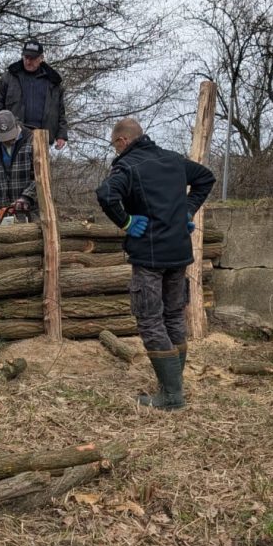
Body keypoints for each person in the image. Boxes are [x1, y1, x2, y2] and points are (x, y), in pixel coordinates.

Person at [95, 118, 215, 411]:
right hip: (178, 252)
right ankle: (171, 386)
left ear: (123, 141)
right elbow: (206, 178)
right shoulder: (174, 160)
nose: (116, 150)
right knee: (173, 316)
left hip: (149, 257)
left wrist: (125, 221)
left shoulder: (128, 166)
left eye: (115, 145)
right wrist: (185, 211)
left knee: (150, 320)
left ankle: (172, 395)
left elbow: (106, 194)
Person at [0, 40, 68, 150]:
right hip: (12, 137)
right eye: (26, 57)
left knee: (40, 167)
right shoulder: (9, 78)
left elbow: (60, 112)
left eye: (32, 58)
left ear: (41, 58)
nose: (28, 61)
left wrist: (61, 135)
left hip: (42, 138)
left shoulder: (53, 82)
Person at [0, 110, 39, 224]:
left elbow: (41, 176)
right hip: (1, 211)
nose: (7, 140)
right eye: (3, 138)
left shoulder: (33, 140)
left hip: (30, 210)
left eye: (10, 136)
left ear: (16, 125)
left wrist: (26, 197)